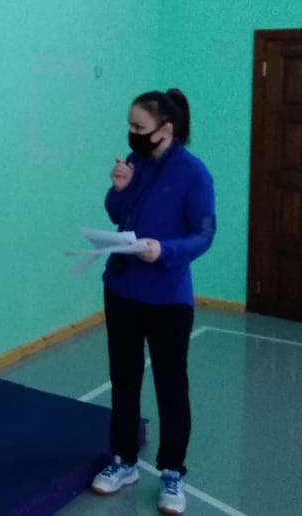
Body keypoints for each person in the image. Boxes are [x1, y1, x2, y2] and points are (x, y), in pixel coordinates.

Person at [90, 89, 216, 516]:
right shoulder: (136, 162)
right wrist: (119, 189)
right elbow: (118, 214)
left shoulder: (194, 173)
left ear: (166, 129)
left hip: (168, 299)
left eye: (139, 127)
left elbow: (204, 235)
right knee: (124, 379)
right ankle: (124, 461)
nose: (132, 134)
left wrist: (165, 250)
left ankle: (172, 471)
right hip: (121, 291)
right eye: (130, 126)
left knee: (171, 386)